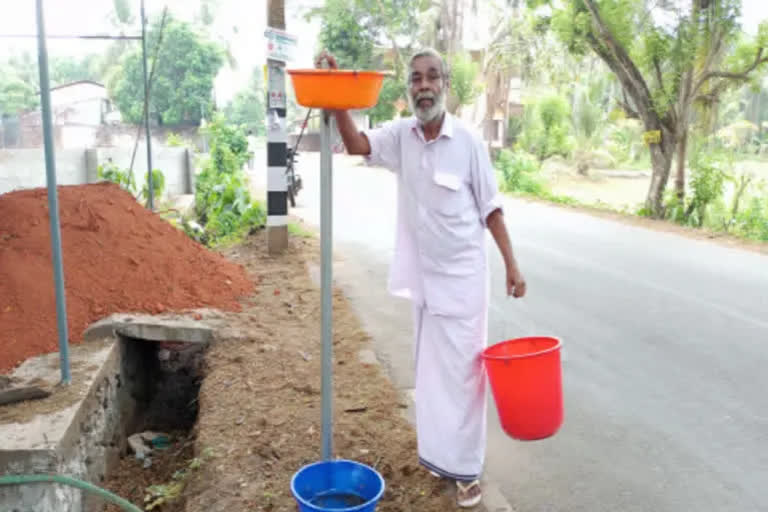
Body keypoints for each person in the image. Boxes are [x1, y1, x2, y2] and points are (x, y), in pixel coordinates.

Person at [315, 47, 527, 508]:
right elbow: (356, 145)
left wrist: (511, 265)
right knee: (431, 378)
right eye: (416, 79)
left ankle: (467, 472)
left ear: (445, 85)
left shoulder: (468, 142)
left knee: (466, 379)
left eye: (432, 77)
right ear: (408, 88)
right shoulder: (401, 137)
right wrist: (335, 96)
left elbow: (491, 208)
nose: (423, 86)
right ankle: (438, 457)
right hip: (425, 284)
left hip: (465, 282)